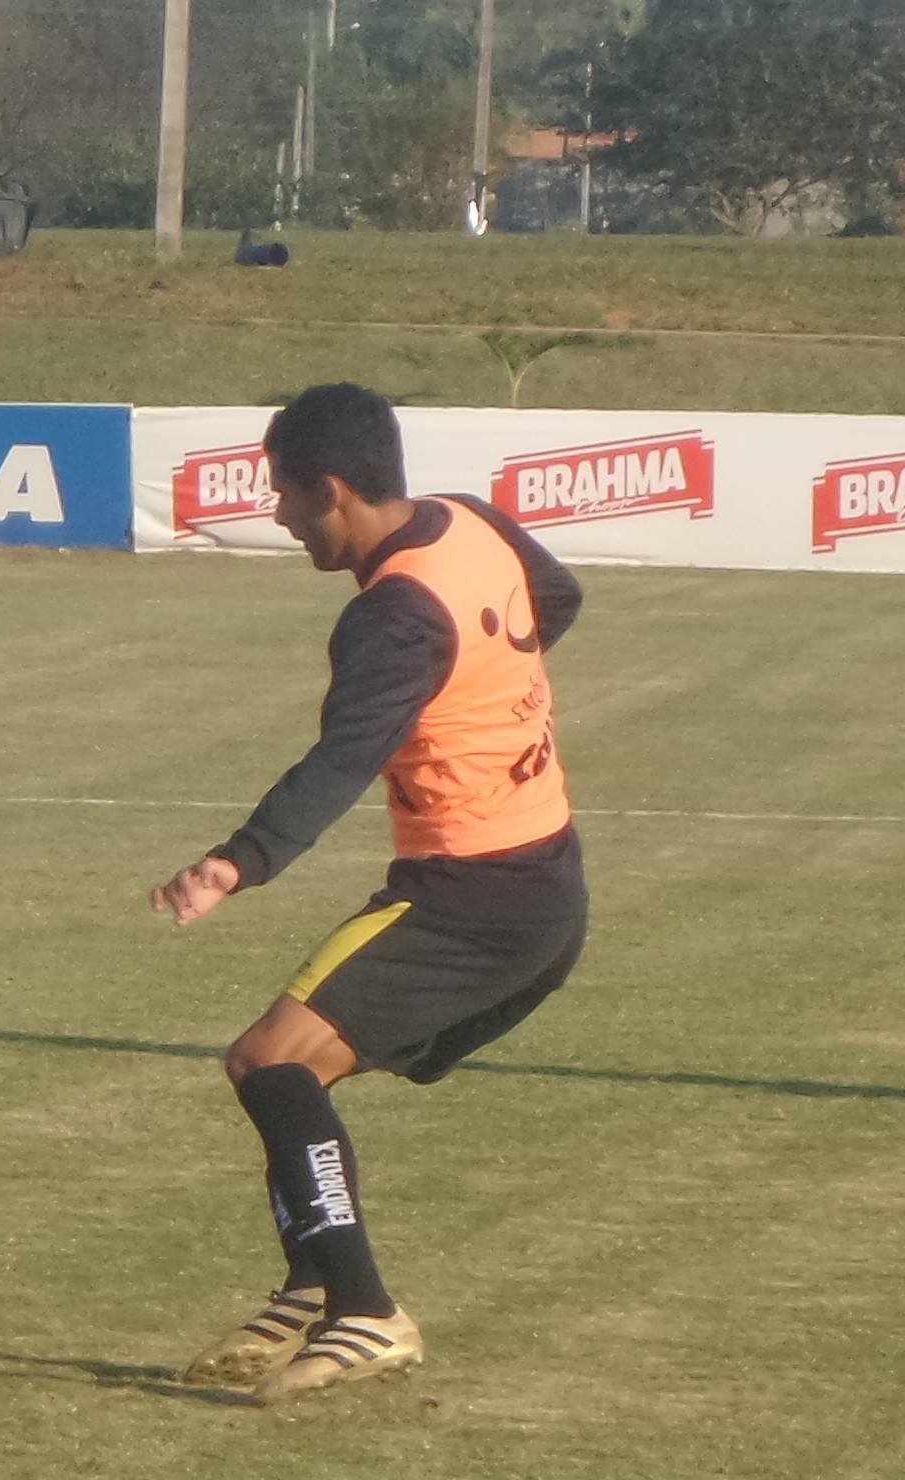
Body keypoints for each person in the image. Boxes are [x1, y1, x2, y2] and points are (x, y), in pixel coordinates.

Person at [153, 383, 586, 1403]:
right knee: (296, 1075)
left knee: (267, 1061)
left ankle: (363, 1308)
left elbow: (345, 758)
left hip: (472, 896)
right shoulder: (470, 522)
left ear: (334, 492)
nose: (277, 515)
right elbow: (555, 599)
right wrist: (482, 692)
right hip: (542, 879)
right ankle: (312, 1279)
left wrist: (236, 862)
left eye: (285, 496)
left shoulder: (392, 617)